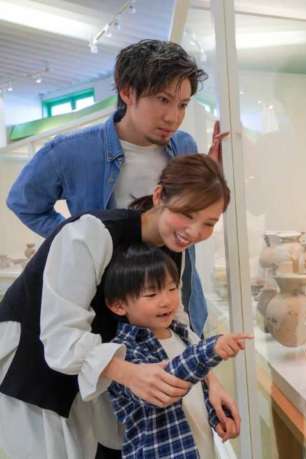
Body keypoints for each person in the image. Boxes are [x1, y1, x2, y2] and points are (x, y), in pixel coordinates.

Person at [0, 155, 238, 459]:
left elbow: (173, 323)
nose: (194, 232)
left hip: (91, 374)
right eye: (187, 214)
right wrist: (130, 373)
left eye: (209, 223)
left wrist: (210, 384)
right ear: (159, 196)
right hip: (30, 372)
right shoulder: (89, 234)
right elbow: (61, 334)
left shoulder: (171, 248)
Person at [6, 39, 228, 335]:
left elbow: (186, 213)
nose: (173, 117)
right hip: (112, 308)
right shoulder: (70, 151)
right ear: (127, 92)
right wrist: (81, 244)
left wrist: (210, 176)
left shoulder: (183, 145)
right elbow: (24, 203)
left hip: (176, 301)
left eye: (183, 104)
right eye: (163, 100)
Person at [103, 243, 251, 459]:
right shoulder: (124, 351)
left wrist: (217, 417)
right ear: (118, 305)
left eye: (172, 288)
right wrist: (211, 349)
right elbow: (168, 383)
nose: (166, 300)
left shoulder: (182, 335)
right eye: (152, 294)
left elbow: (193, 393)